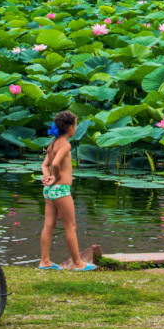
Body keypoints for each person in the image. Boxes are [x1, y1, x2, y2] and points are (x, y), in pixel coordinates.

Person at [39, 110, 95, 271]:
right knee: (70, 226)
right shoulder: (65, 144)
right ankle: (78, 263)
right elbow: (55, 164)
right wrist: (55, 178)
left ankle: (45, 261)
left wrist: (47, 177)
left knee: (48, 225)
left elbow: (45, 165)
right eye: (75, 125)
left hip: (49, 191)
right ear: (70, 127)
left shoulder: (53, 144)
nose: (76, 128)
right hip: (61, 190)